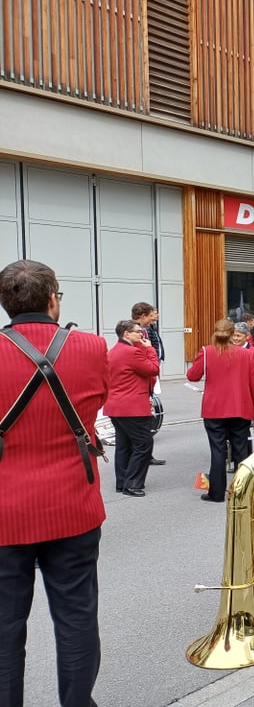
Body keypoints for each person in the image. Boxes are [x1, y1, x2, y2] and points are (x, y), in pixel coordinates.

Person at [0, 259, 109, 707]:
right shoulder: (91, 346)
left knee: (5, 627)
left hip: (5, 511)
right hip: (73, 505)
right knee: (77, 618)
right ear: (52, 300)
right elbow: (98, 404)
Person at [185, 318, 254, 502]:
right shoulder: (247, 354)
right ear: (232, 334)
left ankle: (216, 493)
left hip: (214, 408)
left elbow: (193, 375)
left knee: (218, 451)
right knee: (241, 451)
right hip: (240, 407)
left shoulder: (207, 351)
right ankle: (242, 492)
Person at [105, 319, 160, 496]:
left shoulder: (113, 351)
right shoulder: (131, 352)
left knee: (124, 445)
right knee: (144, 443)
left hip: (116, 405)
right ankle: (133, 483)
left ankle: (122, 482)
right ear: (126, 334)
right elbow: (152, 369)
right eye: (138, 332)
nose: (141, 334)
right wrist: (150, 348)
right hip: (132, 407)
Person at [131, 301, 166, 466]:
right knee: (144, 417)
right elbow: (142, 355)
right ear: (143, 316)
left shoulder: (147, 329)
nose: (154, 319)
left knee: (148, 414)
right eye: (152, 316)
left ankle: (146, 453)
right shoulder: (137, 332)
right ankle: (143, 454)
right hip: (146, 376)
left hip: (151, 374)